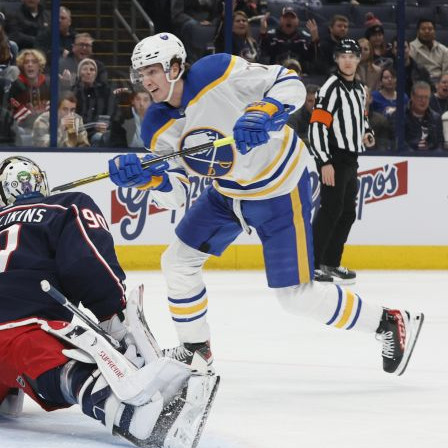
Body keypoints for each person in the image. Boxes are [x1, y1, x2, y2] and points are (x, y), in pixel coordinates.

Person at [107, 32, 424, 376]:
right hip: (228, 194)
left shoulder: (217, 71)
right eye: (141, 74)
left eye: (152, 71)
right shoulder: (156, 124)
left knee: (296, 297)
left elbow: (289, 83)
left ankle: (387, 322)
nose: (146, 81)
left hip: (280, 188)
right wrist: (148, 179)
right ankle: (197, 350)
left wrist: (268, 109)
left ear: (175, 66)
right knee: (177, 261)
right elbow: (177, 192)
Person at [0, 156, 219, 448]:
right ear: (41, 182)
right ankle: (130, 413)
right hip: (18, 330)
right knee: (66, 371)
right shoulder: (67, 205)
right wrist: (114, 314)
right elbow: (87, 263)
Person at [309, 39, 375, 285]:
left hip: (351, 158)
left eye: (352, 55)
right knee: (330, 210)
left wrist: (367, 133)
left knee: (346, 212)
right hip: (334, 157)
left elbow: (362, 118)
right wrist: (324, 161)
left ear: (359, 59)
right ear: (336, 59)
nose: (348, 60)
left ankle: (331, 262)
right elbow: (317, 126)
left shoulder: (360, 89)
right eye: (343, 55)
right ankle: (312, 264)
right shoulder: (329, 88)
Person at [405, 81, 445, 151]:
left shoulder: (436, 118)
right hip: (406, 158)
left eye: (426, 97)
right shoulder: (400, 116)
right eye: (420, 97)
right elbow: (397, 143)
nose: (423, 101)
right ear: (412, 96)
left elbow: (440, 145)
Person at [409, 18, 448, 84]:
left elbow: (446, 73)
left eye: (430, 29)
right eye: (423, 29)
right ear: (418, 32)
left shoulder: (443, 50)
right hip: (420, 83)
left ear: (434, 31)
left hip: (439, 83)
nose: (427, 31)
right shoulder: (411, 48)